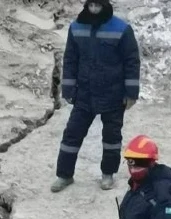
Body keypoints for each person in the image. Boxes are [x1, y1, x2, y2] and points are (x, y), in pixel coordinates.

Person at [51, 0, 140, 193]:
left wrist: (131, 93)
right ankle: (64, 175)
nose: (93, 10)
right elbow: (71, 59)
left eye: (97, 6)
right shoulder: (76, 27)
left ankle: (107, 174)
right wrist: (68, 89)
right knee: (71, 135)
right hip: (85, 93)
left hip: (113, 95)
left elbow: (132, 61)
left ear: (105, 6)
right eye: (90, 6)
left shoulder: (122, 29)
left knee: (111, 137)